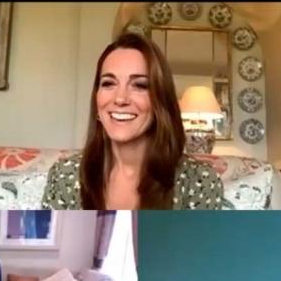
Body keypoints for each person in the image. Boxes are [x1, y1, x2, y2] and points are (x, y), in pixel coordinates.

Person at [41, 33, 223, 210]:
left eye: (139, 85)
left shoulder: (199, 181)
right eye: (108, 83)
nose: (120, 99)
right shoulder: (65, 175)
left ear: (160, 100)